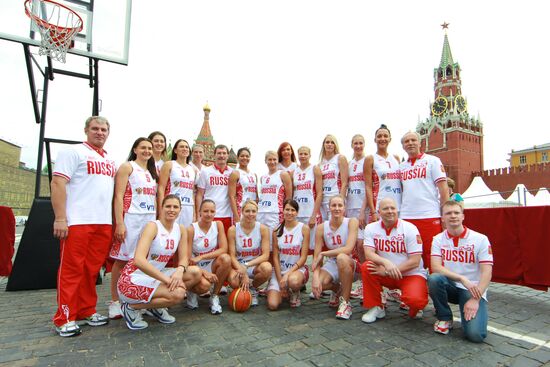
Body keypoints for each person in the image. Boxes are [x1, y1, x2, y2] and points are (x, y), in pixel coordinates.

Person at [51, 116, 116, 337]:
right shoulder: (73, 152)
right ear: (86, 130)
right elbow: (58, 182)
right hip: (78, 221)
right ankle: (65, 317)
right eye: (95, 129)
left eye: (104, 129)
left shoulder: (109, 159)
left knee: (91, 271)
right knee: (71, 270)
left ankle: (86, 310)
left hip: (102, 222)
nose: (100, 132)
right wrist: (60, 217)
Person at [117, 195, 201, 330]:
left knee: (195, 273)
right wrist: (167, 280)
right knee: (178, 293)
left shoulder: (180, 229)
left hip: (155, 276)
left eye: (175, 207)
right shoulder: (153, 226)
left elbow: (184, 258)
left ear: (180, 210)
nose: (171, 210)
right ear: (161, 208)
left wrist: (179, 271)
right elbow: (138, 260)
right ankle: (131, 307)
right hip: (133, 279)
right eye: (168, 206)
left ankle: (156, 307)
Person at [108, 137, 158, 320]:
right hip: (131, 219)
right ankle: (114, 301)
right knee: (121, 261)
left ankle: (136, 298)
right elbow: (118, 196)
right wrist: (120, 222)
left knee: (142, 261)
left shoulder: (152, 172)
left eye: (149, 148)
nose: (147, 151)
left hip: (148, 219)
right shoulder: (127, 167)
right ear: (135, 149)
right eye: (143, 147)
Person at [428, 200, 493, 342]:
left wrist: (475, 299)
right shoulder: (438, 239)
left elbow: (487, 272)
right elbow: (436, 267)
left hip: (473, 290)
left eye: (456, 212)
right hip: (451, 285)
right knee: (433, 278)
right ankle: (444, 317)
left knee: (476, 336)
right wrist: (462, 278)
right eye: (448, 213)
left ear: (463, 216)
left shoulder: (480, 239)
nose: (453, 216)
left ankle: (469, 316)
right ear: (442, 218)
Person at [360, 197, 428, 323]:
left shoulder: (410, 228)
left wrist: (387, 271)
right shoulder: (371, 228)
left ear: (397, 210)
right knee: (367, 267)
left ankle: (414, 306)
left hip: (410, 274)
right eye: (385, 208)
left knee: (416, 302)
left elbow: (415, 261)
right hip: (386, 271)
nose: (390, 211)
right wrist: (386, 263)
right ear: (379, 212)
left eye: (393, 208)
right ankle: (377, 307)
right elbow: (369, 254)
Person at [399, 131, 449, 272]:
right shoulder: (401, 167)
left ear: (420, 142)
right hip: (406, 217)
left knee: (431, 254)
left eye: (413, 140)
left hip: (429, 216)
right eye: (406, 141)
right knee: (407, 254)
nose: (410, 143)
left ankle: (434, 290)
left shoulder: (433, 161)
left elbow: (444, 190)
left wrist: (444, 215)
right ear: (403, 146)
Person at [311, 195, 359, 320]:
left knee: (342, 257)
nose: (337, 208)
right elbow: (317, 256)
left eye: (340, 205)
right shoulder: (321, 227)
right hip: (333, 263)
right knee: (318, 285)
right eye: (334, 205)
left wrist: (324, 253)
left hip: (351, 262)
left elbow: (348, 249)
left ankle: (345, 303)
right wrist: (315, 278)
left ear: (344, 208)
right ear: (329, 207)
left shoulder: (352, 222)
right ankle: (337, 289)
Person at [186, 200, 232, 314]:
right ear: (200, 212)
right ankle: (191, 291)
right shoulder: (191, 229)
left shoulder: (218, 225)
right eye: (206, 211)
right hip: (195, 267)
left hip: (210, 263)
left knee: (226, 259)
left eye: (212, 211)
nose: (209, 214)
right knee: (204, 287)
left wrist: (202, 257)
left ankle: (214, 296)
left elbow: (223, 249)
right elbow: (187, 259)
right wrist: (203, 272)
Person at [227, 200, 272, 306]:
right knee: (233, 282)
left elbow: (266, 255)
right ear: (242, 212)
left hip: (253, 265)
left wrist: (246, 266)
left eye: (253, 211)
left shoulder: (262, 228)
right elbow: (232, 256)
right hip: (238, 265)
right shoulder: (233, 229)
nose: (250, 214)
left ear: (257, 212)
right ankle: (242, 290)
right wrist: (242, 273)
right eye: (247, 211)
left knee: (267, 268)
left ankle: (252, 288)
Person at [266, 200, 310, 310]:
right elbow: (275, 257)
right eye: (287, 209)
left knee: (293, 282)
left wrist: (287, 275)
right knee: (272, 305)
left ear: (297, 213)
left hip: (296, 270)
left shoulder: (304, 228)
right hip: (280, 271)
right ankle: (280, 288)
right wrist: (281, 278)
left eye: (293, 210)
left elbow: (304, 258)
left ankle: (295, 291)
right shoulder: (276, 230)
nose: (289, 212)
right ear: (283, 210)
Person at [365, 124, 402, 220]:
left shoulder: (396, 158)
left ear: (390, 139)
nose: (382, 139)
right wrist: (373, 212)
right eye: (379, 136)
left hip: (397, 206)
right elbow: (368, 186)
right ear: (375, 140)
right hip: (380, 207)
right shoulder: (370, 159)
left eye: (385, 136)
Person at [158, 139, 197, 227]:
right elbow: (161, 188)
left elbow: (192, 193)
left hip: (188, 207)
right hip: (172, 206)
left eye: (187, 147)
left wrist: (194, 213)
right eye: (181, 147)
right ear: (175, 150)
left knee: (185, 236)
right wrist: (161, 210)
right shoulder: (169, 164)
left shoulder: (193, 169)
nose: (185, 149)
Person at [196, 145, 234, 233]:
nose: (221, 156)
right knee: (209, 243)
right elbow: (199, 194)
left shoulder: (232, 172)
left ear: (228, 156)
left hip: (227, 214)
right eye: (219, 153)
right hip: (209, 213)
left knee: (225, 242)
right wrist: (198, 213)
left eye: (224, 153)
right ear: (214, 155)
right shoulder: (206, 171)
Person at [293, 146, 322, 251]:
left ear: (310, 155)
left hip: (309, 212)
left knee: (313, 245)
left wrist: (314, 215)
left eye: (305, 154)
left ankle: (314, 267)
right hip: (297, 213)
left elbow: (319, 193)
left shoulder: (314, 169)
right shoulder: (294, 171)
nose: (303, 156)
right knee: (299, 243)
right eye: (301, 154)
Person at [257, 151, 292, 232]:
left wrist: (286, 212)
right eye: (269, 159)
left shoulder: (283, 174)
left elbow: (289, 197)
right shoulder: (263, 177)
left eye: (274, 159)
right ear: (265, 161)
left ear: (278, 160)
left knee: (274, 240)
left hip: (275, 213)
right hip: (261, 212)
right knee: (262, 240)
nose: (272, 162)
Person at [318, 135, 348, 220]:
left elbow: (345, 182)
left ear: (335, 145)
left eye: (332, 142)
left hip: (335, 198)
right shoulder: (320, 164)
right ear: (324, 145)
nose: (329, 144)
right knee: (325, 229)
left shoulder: (340, 158)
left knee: (335, 227)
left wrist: (341, 200)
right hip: (323, 201)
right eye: (327, 142)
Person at [228, 147, 258, 222]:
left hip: (252, 211)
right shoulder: (235, 173)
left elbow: (256, 196)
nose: (245, 158)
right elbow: (231, 196)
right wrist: (236, 215)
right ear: (237, 158)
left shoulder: (254, 175)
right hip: (240, 210)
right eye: (242, 156)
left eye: (247, 156)